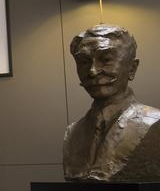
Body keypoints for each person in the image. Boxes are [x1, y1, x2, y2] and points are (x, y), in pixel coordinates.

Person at [64, 24, 160, 181]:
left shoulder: (154, 123)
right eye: (84, 62)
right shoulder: (72, 134)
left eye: (106, 60)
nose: (92, 71)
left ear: (132, 68)